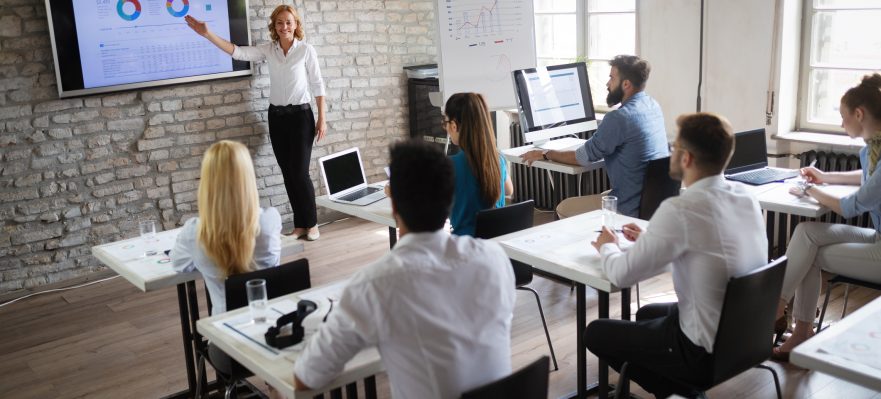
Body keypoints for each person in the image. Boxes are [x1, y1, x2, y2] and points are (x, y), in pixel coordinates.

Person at [292, 140, 516, 399]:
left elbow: (306, 378)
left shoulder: (374, 285)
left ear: (394, 206)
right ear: (450, 199)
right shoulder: (494, 259)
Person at [585, 113, 767, 398]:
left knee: (596, 333)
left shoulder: (682, 209)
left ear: (687, 158)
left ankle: (685, 394)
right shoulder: (746, 197)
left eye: (675, 146)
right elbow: (707, 252)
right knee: (646, 314)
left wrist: (607, 245)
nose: (671, 150)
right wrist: (652, 239)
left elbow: (620, 275)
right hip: (745, 336)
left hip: (702, 352)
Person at [185, 5, 325, 241]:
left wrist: (322, 118)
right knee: (288, 173)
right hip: (276, 118)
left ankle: (312, 224)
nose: (284, 26)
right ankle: (300, 225)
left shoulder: (306, 50)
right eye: (279, 22)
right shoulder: (269, 50)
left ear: (296, 25)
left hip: (301, 117)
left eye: (288, 22)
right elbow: (238, 52)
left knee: (300, 173)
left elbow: (318, 84)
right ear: (274, 26)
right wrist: (207, 34)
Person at [773, 73, 881, 361]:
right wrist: (824, 177)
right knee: (806, 232)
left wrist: (809, 190)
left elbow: (852, 206)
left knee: (808, 254)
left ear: (859, 114)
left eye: (844, 117)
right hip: (877, 236)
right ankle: (780, 307)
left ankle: (794, 327)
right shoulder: (873, 148)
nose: (842, 124)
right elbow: (868, 178)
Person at [171, 140, 282, 374]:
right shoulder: (270, 220)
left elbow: (179, 264)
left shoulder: (195, 232)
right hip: (277, 339)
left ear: (208, 183)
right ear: (248, 178)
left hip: (229, 350)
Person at [520, 55, 669, 218]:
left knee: (564, 207)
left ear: (626, 84)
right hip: (652, 203)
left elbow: (580, 158)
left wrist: (545, 154)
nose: (607, 83)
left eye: (612, 78)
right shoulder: (653, 106)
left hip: (627, 207)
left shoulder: (619, 118)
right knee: (604, 194)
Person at [444, 92, 514, 236]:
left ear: (454, 126)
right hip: (496, 242)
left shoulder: (450, 165)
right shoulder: (498, 159)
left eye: (445, 123)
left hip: (465, 245)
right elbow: (509, 190)